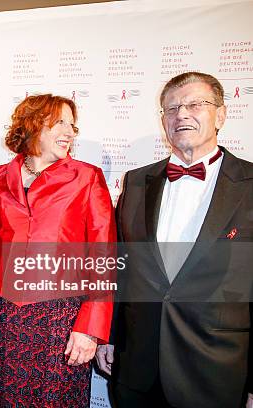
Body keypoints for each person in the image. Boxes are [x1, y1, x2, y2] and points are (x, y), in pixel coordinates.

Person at [95, 71, 253, 408]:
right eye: (171, 108)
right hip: (138, 366)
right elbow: (122, 270)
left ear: (221, 115)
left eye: (195, 104)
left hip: (216, 371)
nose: (181, 114)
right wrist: (109, 337)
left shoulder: (251, 185)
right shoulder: (136, 182)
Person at [0, 93, 116, 407]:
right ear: (32, 125)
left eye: (72, 124)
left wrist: (90, 329)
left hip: (61, 320)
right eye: (59, 122)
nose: (69, 131)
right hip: (3, 318)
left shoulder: (86, 177)